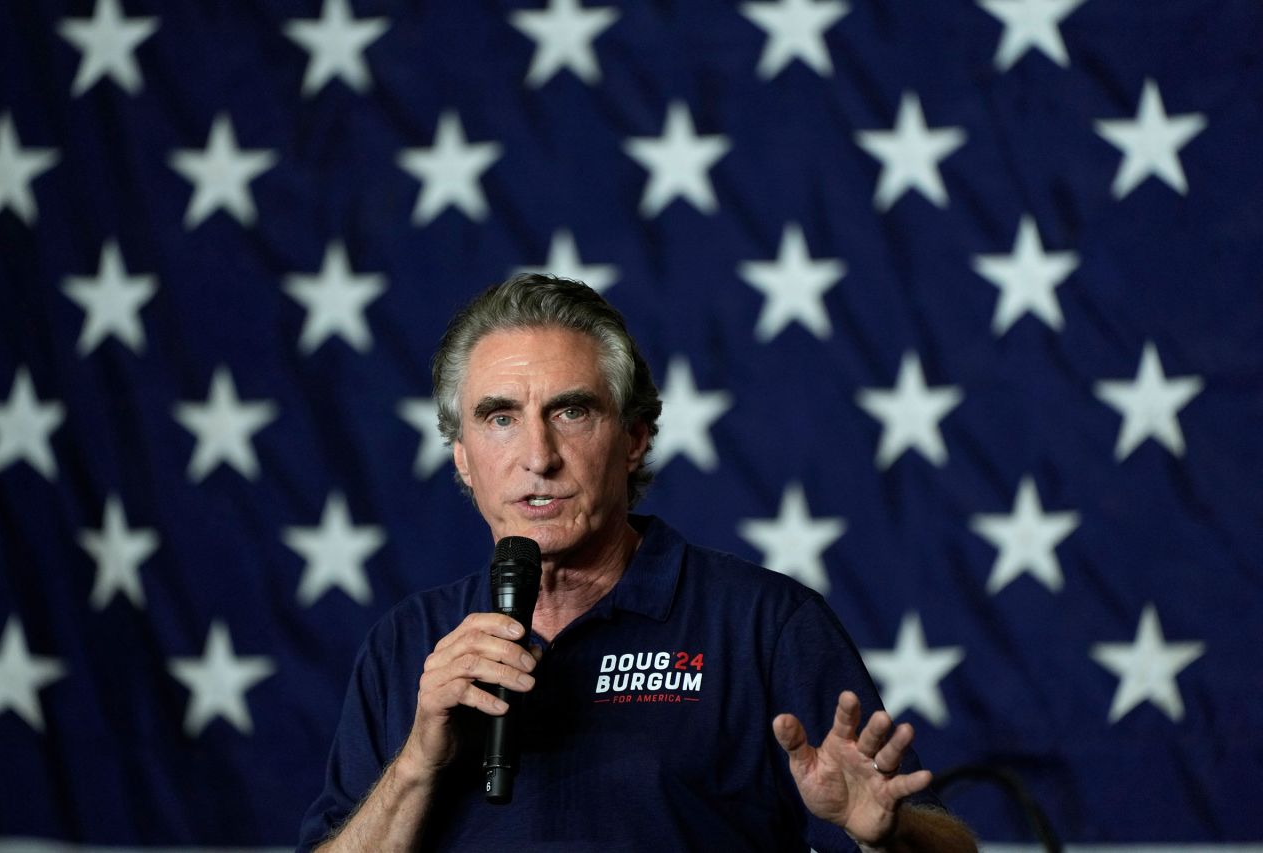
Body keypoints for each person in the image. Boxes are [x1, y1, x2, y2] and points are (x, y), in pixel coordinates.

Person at [297, 274, 977, 852]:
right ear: (463, 457)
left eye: (570, 411)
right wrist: (419, 762)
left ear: (633, 439)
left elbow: (948, 843)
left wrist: (882, 835)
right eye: (500, 417)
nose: (538, 454)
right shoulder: (408, 643)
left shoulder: (763, 623)